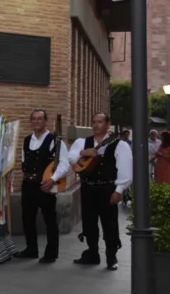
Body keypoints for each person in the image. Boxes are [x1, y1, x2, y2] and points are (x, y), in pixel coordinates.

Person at [68, 113, 132, 271]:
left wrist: (118, 191)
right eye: (94, 122)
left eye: (100, 122)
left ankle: (111, 257)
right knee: (89, 223)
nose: (96, 125)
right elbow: (70, 158)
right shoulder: (82, 142)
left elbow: (126, 171)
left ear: (107, 125)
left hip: (107, 189)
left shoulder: (119, 145)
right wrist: (84, 153)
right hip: (88, 188)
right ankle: (92, 254)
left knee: (109, 224)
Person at [16, 109, 70, 263]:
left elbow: (64, 164)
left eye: (40, 119)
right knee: (27, 218)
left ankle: (51, 253)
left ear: (46, 121)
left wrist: (52, 179)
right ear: (31, 121)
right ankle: (31, 249)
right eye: (34, 119)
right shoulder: (27, 140)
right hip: (28, 184)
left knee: (49, 219)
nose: (37, 121)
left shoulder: (55, 141)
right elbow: (24, 161)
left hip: (46, 184)